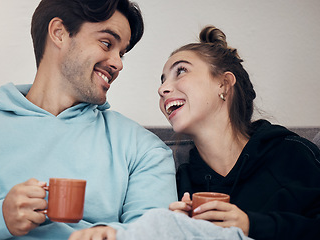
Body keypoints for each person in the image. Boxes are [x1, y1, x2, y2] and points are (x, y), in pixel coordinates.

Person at [0, 1, 178, 239]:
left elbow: (158, 232)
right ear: (59, 33)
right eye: (107, 43)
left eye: (122, 52)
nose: (118, 63)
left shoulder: (144, 150)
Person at [116, 26, 320, 240]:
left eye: (181, 71)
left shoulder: (290, 154)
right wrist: (178, 228)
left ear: (223, 84)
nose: (163, 89)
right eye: (163, 80)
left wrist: (251, 225)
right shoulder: (180, 181)